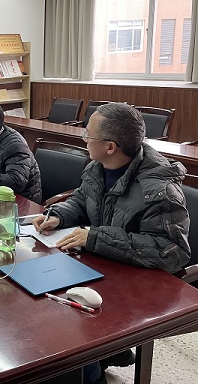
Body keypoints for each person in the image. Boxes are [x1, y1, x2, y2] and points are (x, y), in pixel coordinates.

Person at [32, 102, 191, 384]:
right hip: (102, 262)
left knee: (62, 319)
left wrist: (96, 238)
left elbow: (172, 252)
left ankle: (92, 372)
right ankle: (99, 359)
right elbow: (82, 200)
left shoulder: (160, 190)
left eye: (88, 135)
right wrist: (58, 215)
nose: (84, 139)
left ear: (110, 146)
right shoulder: (98, 167)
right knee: (39, 299)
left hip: (138, 282)